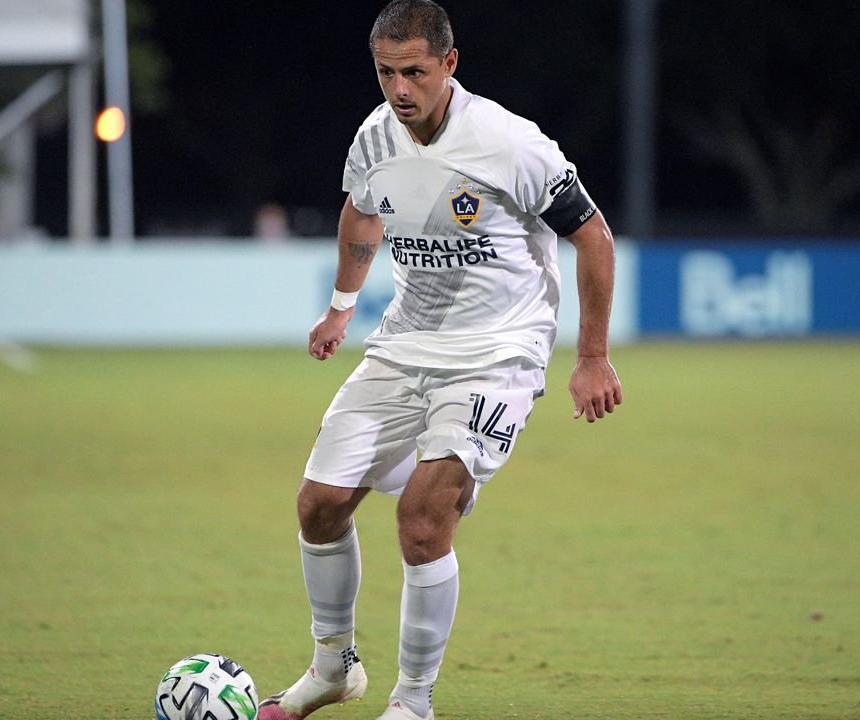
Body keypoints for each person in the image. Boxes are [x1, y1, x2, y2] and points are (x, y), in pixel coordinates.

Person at [258, 2, 622, 719]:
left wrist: (593, 355)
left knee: (424, 520)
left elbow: (596, 237)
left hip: (497, 353)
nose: (400, 89)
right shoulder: (373, 136)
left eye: (415, 72)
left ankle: (413, 703)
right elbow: (362, 211)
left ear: (449, 64)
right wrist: (341, 304)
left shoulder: (510, 143)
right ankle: (334, 668)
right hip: (404, 344)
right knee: (319, 506)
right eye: (387, 72)